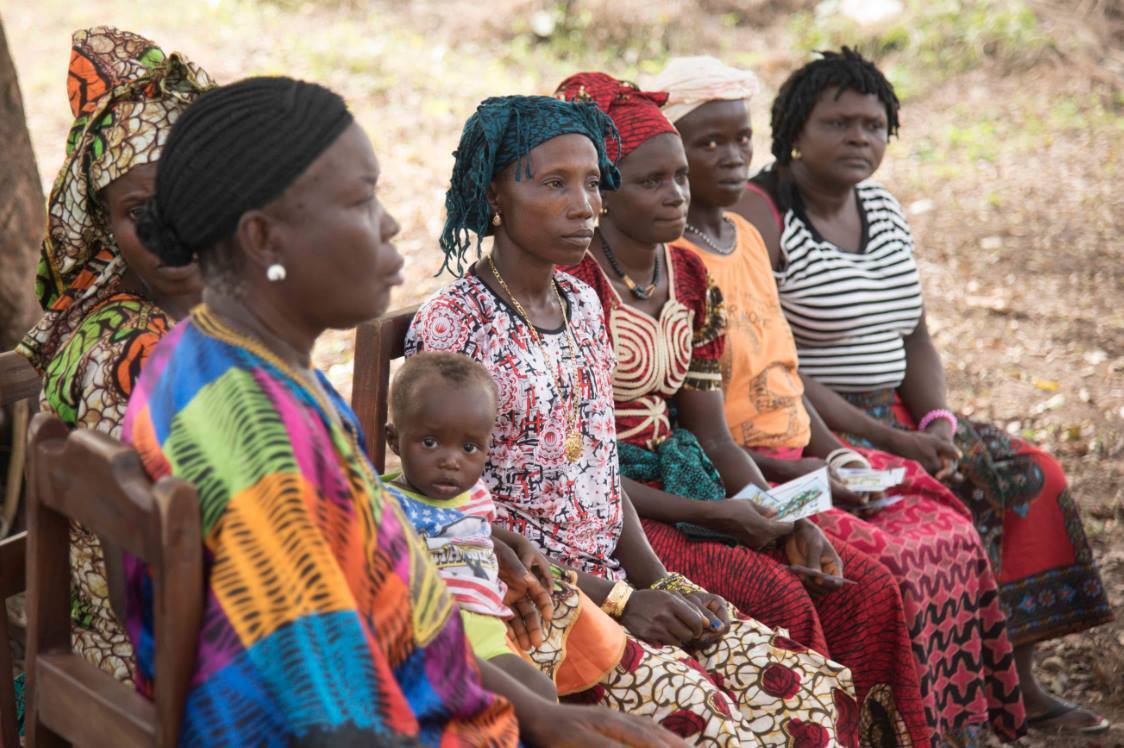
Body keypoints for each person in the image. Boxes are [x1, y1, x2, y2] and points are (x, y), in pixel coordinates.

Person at [124, 75, 680, 747]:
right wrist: (528, 726)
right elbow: (328, 714)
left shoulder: (218, 358)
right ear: (263, 238)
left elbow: (363, 585)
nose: (389, 224)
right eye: (361, 200)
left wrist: (538, 713)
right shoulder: (261, 435)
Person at [407, 93, 859, 747]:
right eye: (555, 184)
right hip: (529, 599)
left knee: (800, 689)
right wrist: (619, 601)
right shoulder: (457, 322)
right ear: (495, 195)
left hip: (610, 578)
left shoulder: (581, 301)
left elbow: (600, 464)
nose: (585, 205)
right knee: (712, 720)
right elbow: (451, 506)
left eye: (593, 183)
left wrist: (660, 580)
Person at [645, 54, 1036, 744]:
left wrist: (833, 454)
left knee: (950, 523)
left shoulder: (742, 239)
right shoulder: (677, 263)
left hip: (795, 449)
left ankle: (960, 725)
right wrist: (792, 475)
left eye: (740, 139)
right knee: (879, 572)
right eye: (707, 144)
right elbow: (698, 425)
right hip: (746, 463)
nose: (732, 156)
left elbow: (786, 370)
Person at [732, 47, 1113, 737]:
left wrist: (936, 419)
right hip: (818, 422)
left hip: (904, 412)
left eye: (874, 126)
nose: (859, 138)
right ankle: (942, 705)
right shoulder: (763, 215)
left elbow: (916, 336)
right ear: (795, 132)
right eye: (838, 123)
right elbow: (775, 362)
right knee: (936, 515)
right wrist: (891, 440)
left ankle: (1019, 683)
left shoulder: (882, 207)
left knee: (1031, 476)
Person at [556, 70, 928, 747]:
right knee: (780, 598)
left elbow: (714, 436)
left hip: (686, 475)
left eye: (679, 177)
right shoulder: (575, 286)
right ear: (603, 194)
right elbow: (585, 466)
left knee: (863, 585)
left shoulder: (688, 274)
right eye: (651, 181)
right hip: (622, 503)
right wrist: (717, 514)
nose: (677, 194)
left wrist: (781, 517)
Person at [385, 351, 757, 745]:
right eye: (430, 443)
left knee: (540, 695)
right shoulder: (387, 503)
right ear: (394, 440)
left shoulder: (473, 494)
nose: (450, 461)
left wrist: (506, 539)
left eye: (469, 448)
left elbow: (472, 527)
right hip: (443, 636)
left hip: (492, 635)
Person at [14, 26, 213, 686]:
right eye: (138, 213)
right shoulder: (127, 351)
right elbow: (146, 580)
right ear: (104, 223)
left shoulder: (208, 318)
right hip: (140, 667)